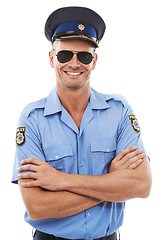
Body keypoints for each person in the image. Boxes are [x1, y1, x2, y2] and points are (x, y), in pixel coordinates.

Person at [12, 6, 152, 240]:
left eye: (84, 55)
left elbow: (141, 185)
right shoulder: (31, 119)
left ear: (94, 61)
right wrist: (111, 183)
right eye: (65, 55)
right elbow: (37, 207)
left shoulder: (119, 111)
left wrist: (60, 180)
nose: (74, 64)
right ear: (51, 58)